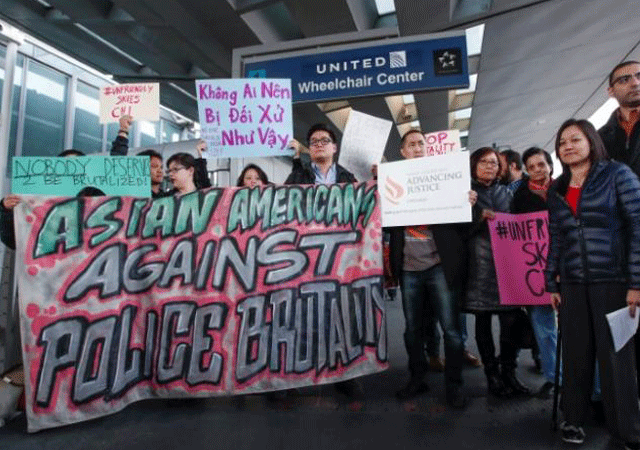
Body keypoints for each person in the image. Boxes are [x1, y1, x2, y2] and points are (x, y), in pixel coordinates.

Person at [546, 119, 640, 448]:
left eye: (575, 139)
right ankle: (574, 419)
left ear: (591, 141)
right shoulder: (556, 189)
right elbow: (555, 238)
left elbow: (638, 226)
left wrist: (636, 282)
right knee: (575, 354)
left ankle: (626, 433)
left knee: (616, 360)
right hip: (572, 284)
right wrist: (551, 284)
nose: (568, 146)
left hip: (612, 282)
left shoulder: (618, 175)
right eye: (562, 143)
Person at [388, 129, 467, 408]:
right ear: (403, 151)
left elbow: (464, 222)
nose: (418, 147)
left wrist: (468, 202)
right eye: (411, 144)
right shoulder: (392, 179)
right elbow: (383, 223)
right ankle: (416, 378)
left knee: (451, 330)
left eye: (421, 143)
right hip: (409, 268)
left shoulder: (446, 177)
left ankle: (454, 386)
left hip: (438, 266)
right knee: (411, 330)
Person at [465, 147, 530, 397]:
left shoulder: (507, 193)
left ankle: (508, 372)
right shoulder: (466, 193)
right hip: (479, 265)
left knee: (510, 321)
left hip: (507, 264)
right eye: (484, 162)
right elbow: (457, 230)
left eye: (494, 162)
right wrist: (477, 216)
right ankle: (491, 374)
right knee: (483, 320)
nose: (490, 166)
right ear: (474, 165)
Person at [598, 60, 640, 396]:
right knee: (625, 330)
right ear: (611, 91)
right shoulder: (600, 140)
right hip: (618, 250)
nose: (634, 83)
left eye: (639, 76)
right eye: (624, 79)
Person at [511, 147, 559, 399]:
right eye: (532, 167)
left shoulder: (564, 189)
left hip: (568, 269)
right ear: (526, 171)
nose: (538, 170)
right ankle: (554, 378)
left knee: (577, 328)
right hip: (535, 273)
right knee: (545, 329)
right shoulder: (517, 197)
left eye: (541, 165)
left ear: (550, 165)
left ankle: (587, 381)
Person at [110, 115, 168, 198]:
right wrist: (123, 130)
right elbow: (117, 160)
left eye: (161, 167)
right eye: (154, 166)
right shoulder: (134, 197)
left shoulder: (169, 198)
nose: (160, 171)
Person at [285, 123, 356, 184]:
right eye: (314, 142)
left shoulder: (348, 178)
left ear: (334, 148)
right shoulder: (296, 177)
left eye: (325, 140)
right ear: (309, 149)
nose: (319, 144)